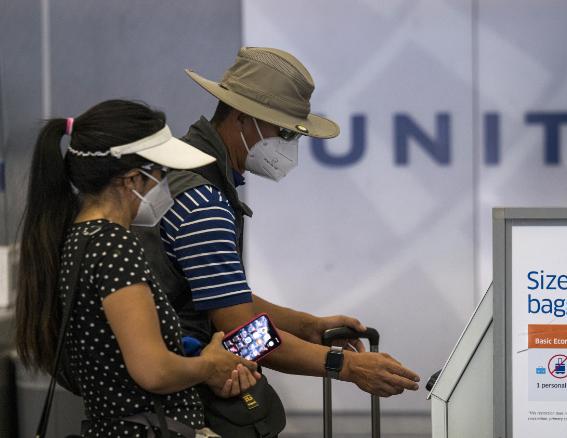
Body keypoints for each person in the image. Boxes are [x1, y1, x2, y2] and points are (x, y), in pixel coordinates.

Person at [134, 47, 419, 435]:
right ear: (242, 118)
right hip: (169, 407)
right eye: (284, 132)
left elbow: (219, 296)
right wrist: (344, 365)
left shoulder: (182, 172)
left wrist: (307, 325)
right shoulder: (203, 202)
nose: (289, 146)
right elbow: (241, 335)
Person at [15, 99, 261, 437]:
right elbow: (153, 370)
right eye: (161, 173)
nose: (167, 185)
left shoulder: (77, 238)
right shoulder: (115, 245)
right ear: (131, 179)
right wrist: (210, 366)